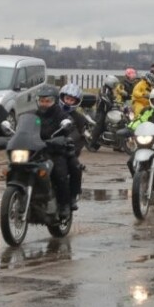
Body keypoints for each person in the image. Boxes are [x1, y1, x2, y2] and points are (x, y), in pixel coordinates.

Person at [35, 85, 81, 218]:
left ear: (54, 101)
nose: (44, 104)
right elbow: (24, 128)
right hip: (36, 150)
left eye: (47, 101)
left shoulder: (61, 114)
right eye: (41, 101)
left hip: (55, 150)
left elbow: (69, 126)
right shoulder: (34, 114)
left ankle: (64, 204)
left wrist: (63, 138)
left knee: (59, 172)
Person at [57, 83, 85, 211]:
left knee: (75, 167)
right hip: (48, 146)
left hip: (67, 149)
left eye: (71, 100)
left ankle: (73, 196)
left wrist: (71, 143)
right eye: (67, 98)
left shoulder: (79, 118)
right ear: (62, 98)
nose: (68, 102)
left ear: (76, 102)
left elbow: (80, 135)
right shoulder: (53, 111)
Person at [88, 75, 120, 150]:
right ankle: (92, 145)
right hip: (102, 111)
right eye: (114, 84)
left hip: (108, 110)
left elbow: (113, 98)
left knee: (115, 124)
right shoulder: (104, 89)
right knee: (99, 126)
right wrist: (110, 103)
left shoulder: (110, 90)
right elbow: (104, 97)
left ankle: (117, 145)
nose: (115, 86)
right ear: (110, 82)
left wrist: (118, 102)